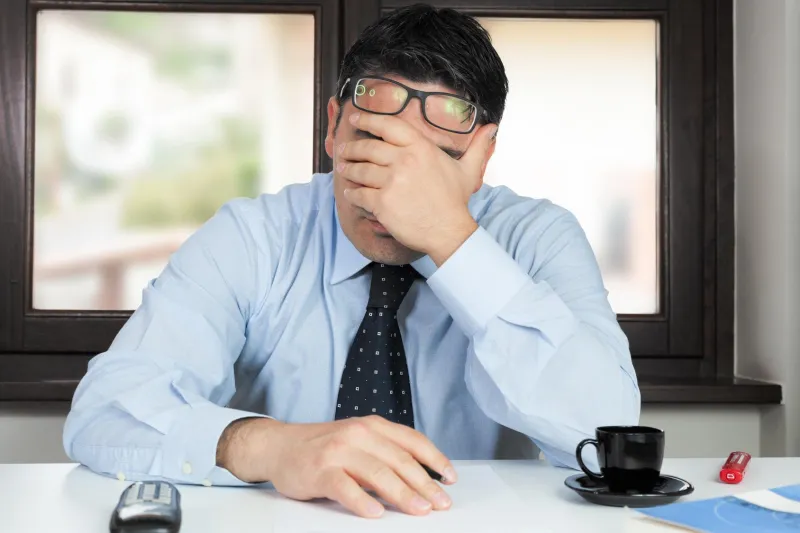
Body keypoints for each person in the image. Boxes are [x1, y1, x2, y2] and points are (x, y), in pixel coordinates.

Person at [63, 3, 640, 520]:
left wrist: (451, 236)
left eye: (436, 161)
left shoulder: (536, 238)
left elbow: (604, 431)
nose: (394, 192)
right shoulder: (255, 236)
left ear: (484, 154)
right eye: (373, 145)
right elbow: (104, 412)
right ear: (335, 128)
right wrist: (271, 446)